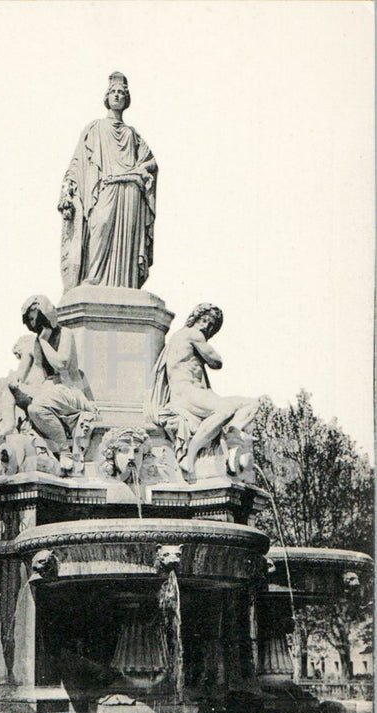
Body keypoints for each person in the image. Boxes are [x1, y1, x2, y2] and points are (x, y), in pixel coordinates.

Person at [58, 72, 157, 290]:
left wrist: (141, 169)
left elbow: (151, 162)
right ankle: (93, 277)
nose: (117, 96)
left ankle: (126, 285)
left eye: (121, 92)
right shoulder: (95, 128)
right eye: (113, 92)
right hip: (106, 188)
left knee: (126, 242)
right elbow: (77, 163)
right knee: (99, 225)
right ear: (107, 96)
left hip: (130, 192)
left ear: (127, 99)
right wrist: (67, 191)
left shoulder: (132, 134)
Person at [147, 303, 259, 476]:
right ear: (195, 318)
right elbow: (216, 362)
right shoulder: (192, 334)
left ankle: (232, 435)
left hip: (198, 394)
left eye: (211, 325)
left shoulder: (182, 337)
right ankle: (189, 455)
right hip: (186, 393)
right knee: (225, 409)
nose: (206, 326)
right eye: (204, 320)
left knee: (251, 404)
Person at [0, 295, 97, 470]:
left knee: (36, 408)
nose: (34, 324)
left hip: (69, 389)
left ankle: (64, 451)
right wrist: (16, 382)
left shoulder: (65, 334)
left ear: (46, 315)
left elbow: (61, 364)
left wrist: (43, 341)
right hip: (49, 389)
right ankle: (9, 426)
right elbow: (28, 373)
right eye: (30, 320)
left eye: (35, 318)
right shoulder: (36, 341)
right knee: (7, 385)